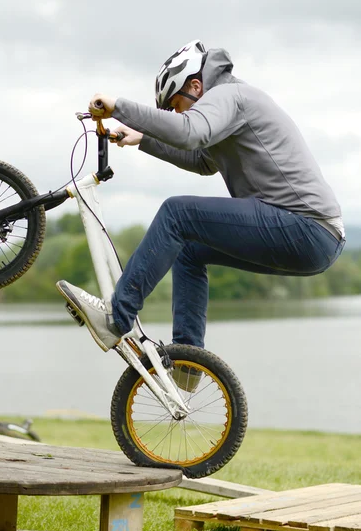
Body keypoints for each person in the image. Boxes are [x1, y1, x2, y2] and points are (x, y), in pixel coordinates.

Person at [56, 39, 345, 353]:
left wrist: (119, 107)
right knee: (189, 251)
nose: (177, 114)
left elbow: (191, 132)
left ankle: (116, 317)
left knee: (177, 213)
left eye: (177, 106)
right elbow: (204, 161)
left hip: (306, 227)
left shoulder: (229, 95)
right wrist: (143, 139)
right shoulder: (230, 103)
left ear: (196, 85)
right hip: (313, 236)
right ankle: (189, 359)